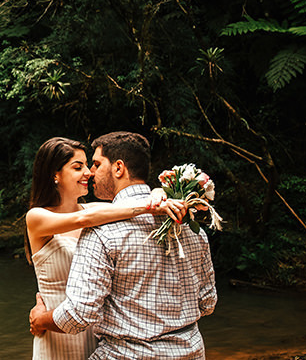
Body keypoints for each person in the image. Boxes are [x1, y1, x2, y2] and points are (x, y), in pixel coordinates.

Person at [29, 131, 217, 359]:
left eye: (94, 164)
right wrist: (150, 203)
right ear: (54, 174)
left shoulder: (100, 225)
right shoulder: (186, 224)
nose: (90, 173)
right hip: (189, 351)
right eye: (79, 167)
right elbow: (207, 303)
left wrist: (157, 195)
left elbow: (78, 315)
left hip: (92, 335)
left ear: (119, 168)